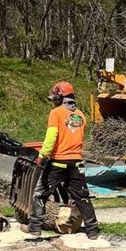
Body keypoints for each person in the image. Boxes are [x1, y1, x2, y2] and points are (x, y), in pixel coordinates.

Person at [21, 81, 99, 240]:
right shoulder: (81, 115)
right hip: (76, 163)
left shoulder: (56, 113)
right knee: (82, 196)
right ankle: (92, 230)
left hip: (58, 163)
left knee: (40, 193)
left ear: (61, 97)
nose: (54, 101)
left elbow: (51, 137)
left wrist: (42, 155)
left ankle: (34, 227)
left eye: (55, 98)